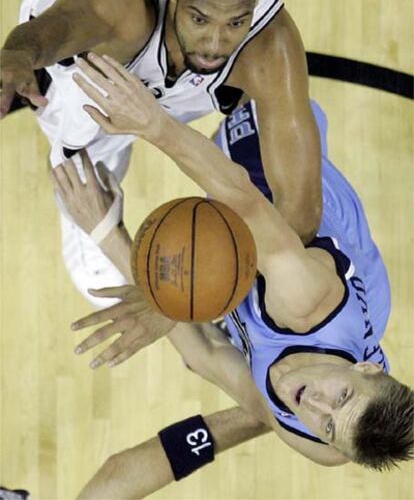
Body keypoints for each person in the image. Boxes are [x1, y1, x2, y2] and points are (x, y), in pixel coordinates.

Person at [49, 53, 412, 498]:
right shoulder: (307, 302)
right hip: (275, 185)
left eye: (330, 424)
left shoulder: (323, 444)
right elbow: (240, 198)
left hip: (282, 278)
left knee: (111, 266)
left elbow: (206, 355)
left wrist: (106, 229)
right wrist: (151, 122)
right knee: (244, 78)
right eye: (341, 396)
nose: (315, 405)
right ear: (367, 367)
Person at [0, 0, 321, 308]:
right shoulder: (122, 7)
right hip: (95, 67)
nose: (215, 43)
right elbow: (61, 26)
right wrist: (20, 53)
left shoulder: (268, 44)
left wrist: (222, 280)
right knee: (98, 281)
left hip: (181, 90)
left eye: (236, 21)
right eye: (199, 18)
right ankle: (83, 188)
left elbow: (302, 212)